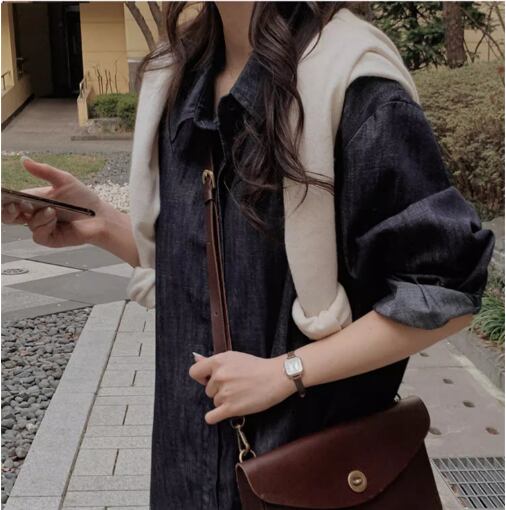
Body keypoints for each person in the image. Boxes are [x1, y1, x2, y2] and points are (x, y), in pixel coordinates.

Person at [2, 3, 495, 509]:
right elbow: (210, 271)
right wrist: (103, 223)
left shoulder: (353, 87)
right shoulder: (176, 82)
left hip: (307, 476)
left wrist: (287, 372)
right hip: (184, 466)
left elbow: (446, 292)